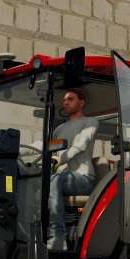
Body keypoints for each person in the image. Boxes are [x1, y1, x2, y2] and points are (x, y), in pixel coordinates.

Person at [47, 88, 98, 250]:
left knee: (56, 180)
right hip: (62, 177)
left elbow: (80, 144)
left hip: (83, 179)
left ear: (81, 103)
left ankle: (58, 237)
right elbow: (46, 146)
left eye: (70, 99)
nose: (65, 102)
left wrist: (59, 159)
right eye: (64, 100)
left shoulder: (90, 122)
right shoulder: (59, 130)